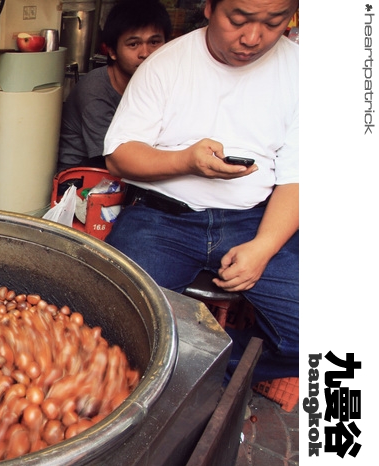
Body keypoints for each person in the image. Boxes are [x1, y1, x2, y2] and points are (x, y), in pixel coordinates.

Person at [102, 0, 299, 384]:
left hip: (256, 220)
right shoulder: (166, 64)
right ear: (209, 7)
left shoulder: (303, 70)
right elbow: (119, 157)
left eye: (273, 23)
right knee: (116, 325)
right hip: (160, 220)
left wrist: (264, 247)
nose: (253, 38)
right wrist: (186, 162)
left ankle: (196, 370)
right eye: (238, 20)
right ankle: (179, 368)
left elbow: (300, 176)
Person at [55, 0, 172, 175]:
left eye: (154, 42)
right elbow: (119, 160)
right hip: (83, 178)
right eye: (133, 44)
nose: (145, 53)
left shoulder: (163, 83)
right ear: (112, 51)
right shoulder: (95, 91)